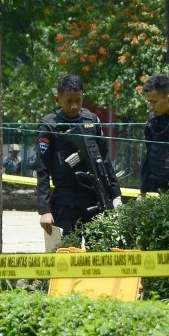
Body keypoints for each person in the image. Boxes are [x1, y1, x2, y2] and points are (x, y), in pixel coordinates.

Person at [35, 75, 122, 236]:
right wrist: (45, 210)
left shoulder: (92, 120)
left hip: (96, 199)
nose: (74, 106)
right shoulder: (49, 125)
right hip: (65, 203)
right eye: (69, 101)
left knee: (98, 254)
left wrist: (115, 195)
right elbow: (43, 169)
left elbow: (105, 159)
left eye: (78, 100)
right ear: (57, 99)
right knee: (65, 255)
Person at [140, 74, 169, 195]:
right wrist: (143, 191)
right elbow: (149, 156)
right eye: (149, 102)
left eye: (154, 102)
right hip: (158, 190)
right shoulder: (152, 120)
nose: (151, 107)